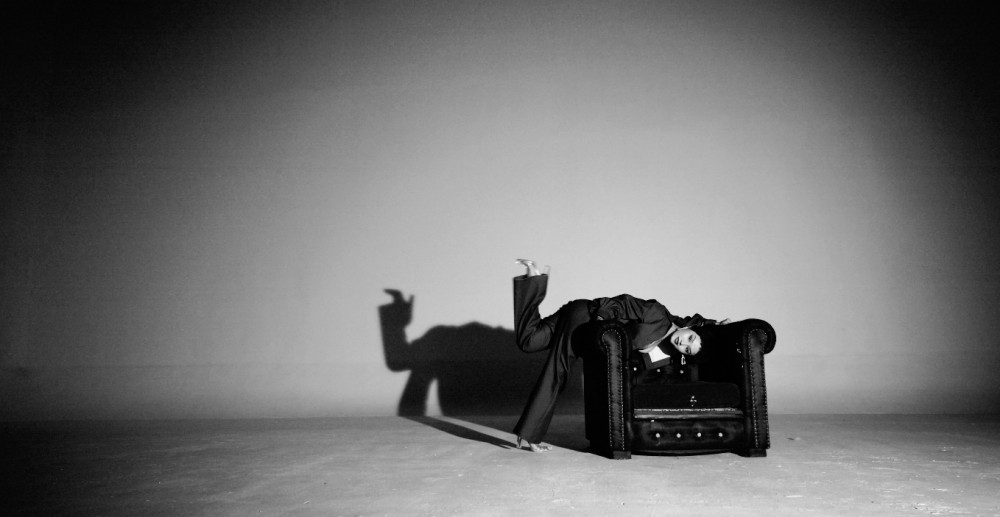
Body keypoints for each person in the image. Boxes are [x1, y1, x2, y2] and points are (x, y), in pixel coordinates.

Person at [511, 259, 729, 452]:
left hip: (576, 312)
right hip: (585, 318)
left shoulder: (671, 342)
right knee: (558, 371)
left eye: (688, 349)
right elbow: (621, 302)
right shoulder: (657, 313)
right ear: (690, 329)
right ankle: (530, 434)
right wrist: (600, 322)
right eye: (690, 338)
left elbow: (693, 324)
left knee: (529, 341)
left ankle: (533, 280)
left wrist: (716, 325)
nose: (683, 343)